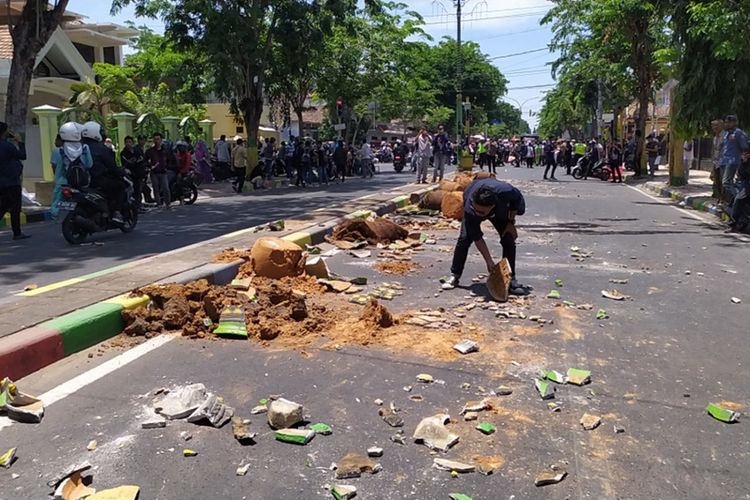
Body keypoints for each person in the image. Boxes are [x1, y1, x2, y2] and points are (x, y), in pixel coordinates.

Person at [441, 177, 531, 296]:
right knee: (464, 239)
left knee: (508, 239)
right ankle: (455, 275)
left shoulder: (506, 192)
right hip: (473, 199)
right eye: (476, 210)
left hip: (500, 213)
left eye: (482, 212)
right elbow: (477, 237)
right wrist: (489, 262)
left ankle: (511, 279)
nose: (479, 214)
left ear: (493, 205)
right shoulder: (470, 209)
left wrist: (510, 222)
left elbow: (516, 200)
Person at [82, 121, 126, 224]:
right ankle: (117, 212)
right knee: (120, 186)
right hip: (98, 181)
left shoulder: (79, 147)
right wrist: (120, 171)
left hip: (81, 182)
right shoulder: (101, 148)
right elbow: (112, 166)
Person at [50, 122, 93, 219]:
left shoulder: (60, 150)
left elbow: (58, 168)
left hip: (63, 182)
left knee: (56, 204)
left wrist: (57, 182)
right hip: (81, 182)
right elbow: (89, 164)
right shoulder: (85, 148)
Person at [0, 122, 30, 240]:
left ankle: (17, 232)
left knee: (3, 206)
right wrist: (20, 142)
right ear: (4, 132)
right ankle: (17, 233)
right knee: (15, 208)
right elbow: (22, 156)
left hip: (1, 182)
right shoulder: (8, 146)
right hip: (11, 182)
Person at [719, 114, 749, 203]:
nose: (726, 124)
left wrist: (744, 159)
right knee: (727, 183)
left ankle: (739, 199)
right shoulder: (726, 133)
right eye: (725, 122)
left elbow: (745, 147)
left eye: (728, 123)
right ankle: (729, 202)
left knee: (726, 182)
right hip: (724, 161)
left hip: (733, 161)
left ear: (734, 123)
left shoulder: (738, 133)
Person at [146, 132, 173, 209]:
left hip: (163, 172)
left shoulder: (165, 150)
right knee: (156, 189)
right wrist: (150, 166)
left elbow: (170, 159)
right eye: (155, 139)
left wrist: (167, 166)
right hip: (154, 172)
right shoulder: (150, 151)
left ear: (161, 140)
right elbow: (145, 160)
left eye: (158, 139)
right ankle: (159, 204)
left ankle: (168, 203)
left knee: (166, 188)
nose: (156, 141)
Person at [120, 136, 146, 210]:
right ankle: (134, 207)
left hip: (139, 174)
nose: (128, 144)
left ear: (132, 143)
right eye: (126, 142)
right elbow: (125, 164)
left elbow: (142, 160)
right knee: (132, 191)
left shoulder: (137, 150)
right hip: (130, 175)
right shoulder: (123, 153)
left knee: (139, 190)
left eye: (129, 142)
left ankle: (139, 206)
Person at [710, 119, 725, 200]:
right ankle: (720, 199)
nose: (714, 128)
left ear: (721, 126)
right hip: (716, 162)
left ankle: (725, 199)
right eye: (713, 126)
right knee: (717, 181)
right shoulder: (715, 138)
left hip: (723, 163)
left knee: (723, 182)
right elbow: (714, 150)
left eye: (716, 125)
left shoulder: (725, 136)